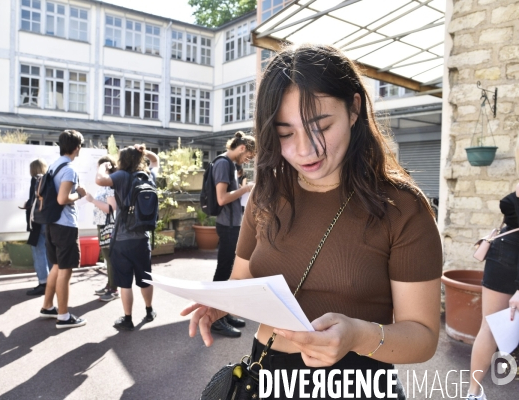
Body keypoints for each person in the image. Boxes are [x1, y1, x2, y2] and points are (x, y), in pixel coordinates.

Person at [182, 44, 443, 399]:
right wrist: (220, 302)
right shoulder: (266, 193)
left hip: (357, 384)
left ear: (353, 109)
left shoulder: (402, 207)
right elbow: (241, 279)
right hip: (265, 379)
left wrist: (357, 335)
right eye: (285, 133)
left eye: (320, 126)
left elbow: (424, 337)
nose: (303, 151)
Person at [96, 144, 159, 331]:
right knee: (145, 278)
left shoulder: (121, 176)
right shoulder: (148, 176)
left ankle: (128, 318)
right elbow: (155, 161)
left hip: (122, 239)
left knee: (125, 283)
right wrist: (144, 152)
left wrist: (103, 167)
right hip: (142, 238)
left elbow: (100, 180)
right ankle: (149, 311)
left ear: (122, 160)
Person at [466, 186, 519, 400]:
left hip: (506, 250)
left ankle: (473, 393)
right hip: (504, 250)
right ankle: (473, 393)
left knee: (487, 329)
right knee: (488, 327)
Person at [39, 130, 88, 329]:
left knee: (57, 267)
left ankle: (47, 306)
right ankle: (63, 316)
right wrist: (79, 194)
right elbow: (62, 199)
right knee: (65, 271)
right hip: (65, 225)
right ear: (77, 147)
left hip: (51, 224)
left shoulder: (53, 166)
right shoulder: (68, 169)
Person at [209, 132, 255, 338]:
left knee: (228, 271)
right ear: (243, 148)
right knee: (223, 271)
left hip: (232, 223)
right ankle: (216, 319)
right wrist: (245, 189)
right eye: (249, 156)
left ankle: (223, 314)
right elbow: (221, 199)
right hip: (227, 225)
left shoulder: (231, 165)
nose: (248, 160)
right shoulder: (223, 163)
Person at [86, 155, 119, 302]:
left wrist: (93, 200)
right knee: (107, 257)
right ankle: (110, 285)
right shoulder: (106, 185)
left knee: (110, 258)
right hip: (103, 223)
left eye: (99, 167)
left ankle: (113, 288)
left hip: (108, 224)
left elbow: (111, 208)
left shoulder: (111, 184)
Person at [20, 158, 50, 296]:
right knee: (49, 252)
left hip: (37, 222)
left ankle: (43, 283)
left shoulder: (35, 180)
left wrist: (28, 205)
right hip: (48, 220)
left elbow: (34, 200)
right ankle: (52, 282)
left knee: (38, 252)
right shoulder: (49, 179)